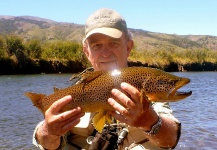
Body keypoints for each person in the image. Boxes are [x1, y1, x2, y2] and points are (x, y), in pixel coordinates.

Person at [33, 8, 181, 150]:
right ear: (86, 51)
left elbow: (170, 140)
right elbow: (49, 145)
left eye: (113, 43)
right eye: (97, 45)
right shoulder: (75, 93)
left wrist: (150, 121)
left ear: (128, 47)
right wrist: (49, 130)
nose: (105, 53)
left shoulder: (144, 84)